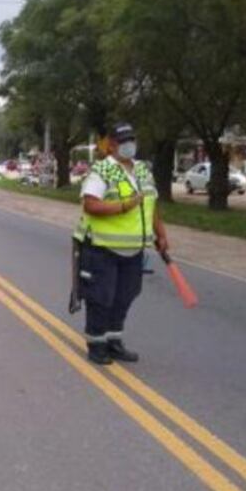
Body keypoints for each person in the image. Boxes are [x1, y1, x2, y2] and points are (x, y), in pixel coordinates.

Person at [73, 123, 169, 365]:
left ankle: (114, 341)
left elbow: (151, 205)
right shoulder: (103, 170)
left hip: (134, 249)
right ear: (112, 144)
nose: (129, 145)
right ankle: (97, 345)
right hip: (102, 247)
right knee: (101, 298)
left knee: (125, 296)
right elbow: (91, 205)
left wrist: (161, 234)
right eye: (123, 141)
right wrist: (124, 206)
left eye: (132, 140)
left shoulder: (143, 170)